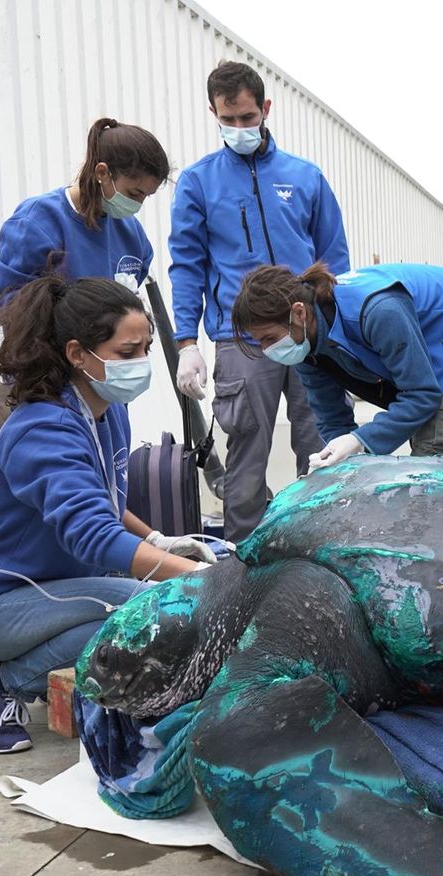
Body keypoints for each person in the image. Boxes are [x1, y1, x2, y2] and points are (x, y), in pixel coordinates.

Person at [0, 275, 216, 754]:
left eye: (147, 349)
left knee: (138, 611)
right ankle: (4, 680)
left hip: (58, 592)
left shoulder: (106, 410)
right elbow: (93, 536)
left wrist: (158, 541)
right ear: (78, 354)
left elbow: (106, 504)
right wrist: (198, 577)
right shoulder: (42, 431)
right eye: (127, 352)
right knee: (148, 609)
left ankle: (18, 670)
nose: (143, 364)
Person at [169, 61, 351, 541]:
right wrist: (186, 341)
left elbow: (335, 260)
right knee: (247, 446)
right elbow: (186, 265)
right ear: (213, 112)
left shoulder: (305, 177)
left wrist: (338, 327)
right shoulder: (198, 182)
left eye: (247, 118)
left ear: (265, 109)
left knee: (322, 439)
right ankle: (242, 555)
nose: (239, 129)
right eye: (228, 121)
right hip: (242, 339)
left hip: (309, 332)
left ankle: (323, 540)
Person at [233, 262, 443, 462]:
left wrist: (359, 440)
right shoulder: (304, 343)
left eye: (269, 338)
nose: (268, 350)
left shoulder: (378, 311)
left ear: (299, 312)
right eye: (261, 342)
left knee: (430, 465)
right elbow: (332, 419)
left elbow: (422, 395)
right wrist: (336, 458)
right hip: (415, 343)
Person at [0, 118, 169, 310]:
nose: (138, 204)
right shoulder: (36, 223)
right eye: (133, 193)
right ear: (102, 173)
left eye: (146, 196)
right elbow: (9, 304)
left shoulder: (132, 234)